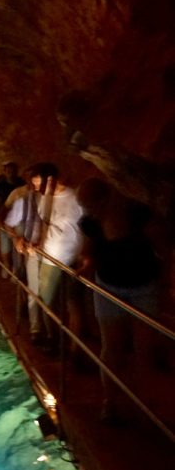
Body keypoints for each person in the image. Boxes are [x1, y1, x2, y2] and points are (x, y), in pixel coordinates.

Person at [77, 178, 163, 423]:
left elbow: (162, 247)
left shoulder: (138, 214)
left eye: (90, 205)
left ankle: (143, 402)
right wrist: (86, 263)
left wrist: (169, 280)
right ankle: (110, 401)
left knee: (144, 350)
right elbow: (88, 250)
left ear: (105, 199)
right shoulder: (90, 223)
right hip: (109, 287)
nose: (88, 211)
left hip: (144, 287)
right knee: (111, 348)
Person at [16, 163, 84, 348]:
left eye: (39, 185)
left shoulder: (75, 198)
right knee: (47, 301)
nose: (36, 189)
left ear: (52, 180)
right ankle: (52, 338)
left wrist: (85, 255)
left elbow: (88, 228)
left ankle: (75, 350)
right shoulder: (45, 198)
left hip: (73, 259)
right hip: (50, 257)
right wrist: (34, 243)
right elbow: (44, 224)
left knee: (74, 304)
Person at [0, 162, 25, 278]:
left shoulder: (21, 183)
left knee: (16, 243)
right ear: (5, 171)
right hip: (3, 217)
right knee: (5, 244)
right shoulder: (1, 184)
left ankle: (16, 269)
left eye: (13, 171)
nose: (11, 173)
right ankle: (6, 266)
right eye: (8, 171)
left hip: (17, 218)